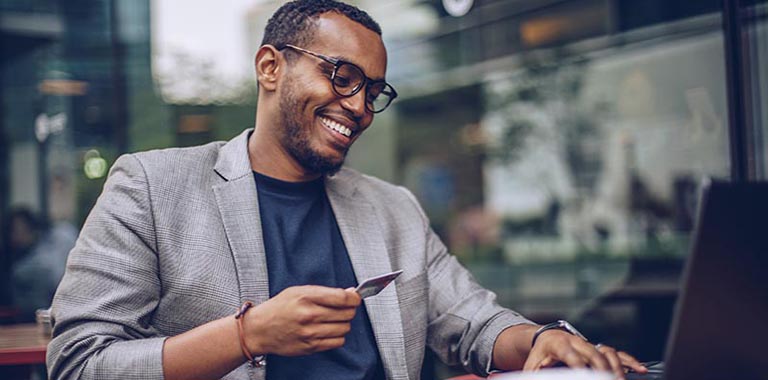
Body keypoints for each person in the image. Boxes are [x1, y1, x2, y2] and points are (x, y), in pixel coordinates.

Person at [47, 1, 648, 379]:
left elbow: (471, 322)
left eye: (374, 91)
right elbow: (78, 364)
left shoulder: (391, 209)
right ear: (270, 67)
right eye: (342, 76)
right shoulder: (153, 186)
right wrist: (246, 336)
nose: (359, 106)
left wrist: (546, 343)